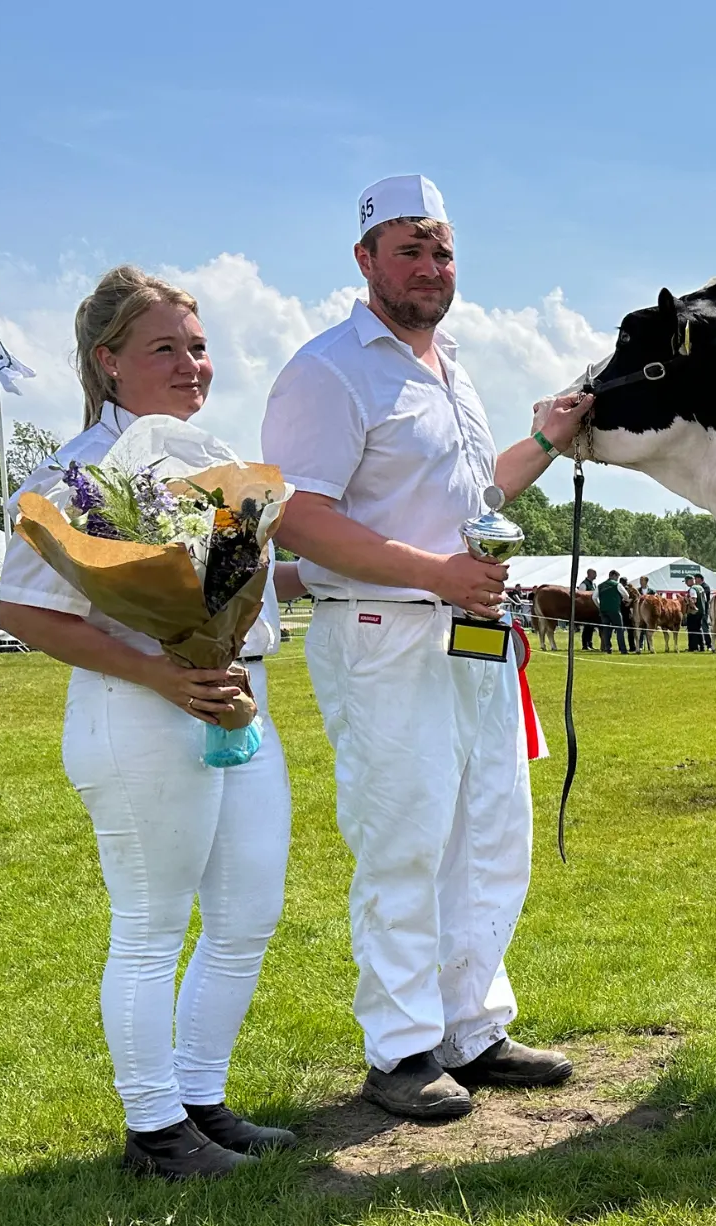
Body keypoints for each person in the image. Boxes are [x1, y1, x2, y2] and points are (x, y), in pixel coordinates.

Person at [261, 175, 590, 1121]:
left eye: (441, 251)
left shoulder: (454, 370)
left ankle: (471, 1028)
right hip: (383, 630)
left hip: (469, 632)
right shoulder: (327, 370)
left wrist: (546, 439)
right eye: (408, 249)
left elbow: (479, 499)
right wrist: (432, 573)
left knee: (491, 833)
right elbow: (300, 516)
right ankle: (401, 1049)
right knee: (404, 840)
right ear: (365, 260)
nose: (430, 267)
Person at [0, 265, 303, 1180]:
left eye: (198, 347)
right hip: (137, 709)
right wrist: (156, 671)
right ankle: (156, 1131)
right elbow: (23, 608)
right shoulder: (76, 476)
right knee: (152, 923)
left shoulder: (215, 461)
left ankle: (202, 1100)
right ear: (109, 363)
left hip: (235, 700)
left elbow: (239, 590)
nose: (191, 364)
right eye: (165, 347)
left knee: (248, 912)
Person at [596, 568, 629, 654]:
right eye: (617, 577)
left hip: (603, 610)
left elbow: (594, 597)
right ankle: (622, 649)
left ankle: (608, 648)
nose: (617, 579)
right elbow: (626, 595)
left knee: (606, 630)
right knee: (619, 629)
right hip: (615, 610)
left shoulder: (600, 585)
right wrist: (624, 599)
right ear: (613, 576)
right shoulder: (617, 585)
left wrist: (599, 605)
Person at [578, 567, 598, 650]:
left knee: (591, 627)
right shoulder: (584, 584)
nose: (596, 575)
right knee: (587, 627)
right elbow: (580, 596)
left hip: (592, 609)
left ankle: (590, 643)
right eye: (594, 573)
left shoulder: (594, 584)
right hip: (585, 609)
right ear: (589, 574)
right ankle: (585, 645)